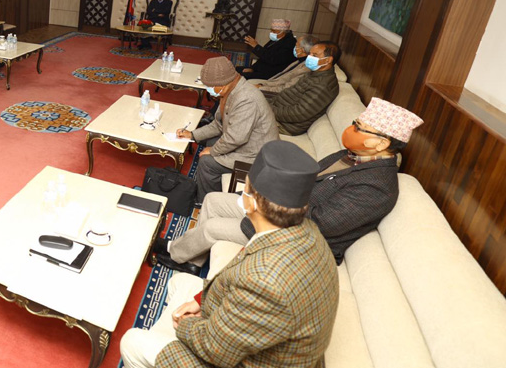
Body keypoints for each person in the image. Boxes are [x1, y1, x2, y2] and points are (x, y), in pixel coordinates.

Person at [104, 141, 339, 368]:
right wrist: (201, 300)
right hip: (260, 343)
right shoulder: (304, 230)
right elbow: (243, 271)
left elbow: (217, 350)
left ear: (251, 203)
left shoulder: (265, 281)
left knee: (133, 342)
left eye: (246, 188)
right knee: (181, 283)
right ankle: (162, 357)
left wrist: (185, 325)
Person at [158, 97, 422, 272]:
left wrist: (268, 206)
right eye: (355, 123)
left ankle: (177, 251)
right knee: (214, 200)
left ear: (381, 143)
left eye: (359, 127)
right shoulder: (351, 155)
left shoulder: (376, 187)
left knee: (213, 227)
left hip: (296, 236)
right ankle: (192, 259)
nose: (351, 129)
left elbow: (323, 224)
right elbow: (306, 179)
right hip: (282, 209)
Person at [176, 56, 278, 203]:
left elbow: (236, 138)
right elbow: (219, 124)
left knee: (206, 162)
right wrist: (192, 135)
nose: (208, 90)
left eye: (210, 86)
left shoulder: (246, 99)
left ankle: (206, 202)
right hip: (246, 144)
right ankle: (213, 188)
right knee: (208, 141)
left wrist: (213, 151)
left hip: (257, 157)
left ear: (222, 84)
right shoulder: (230, 91)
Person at [269, 41, 340, 136]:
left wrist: (267, 110)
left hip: (285, 125)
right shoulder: (315, 73)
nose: (309, 57)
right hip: (276, 110)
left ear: (328, 60)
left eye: (314, 55)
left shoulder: (324, 85)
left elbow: (298, 113)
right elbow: (289, 92)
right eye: (310, 53)